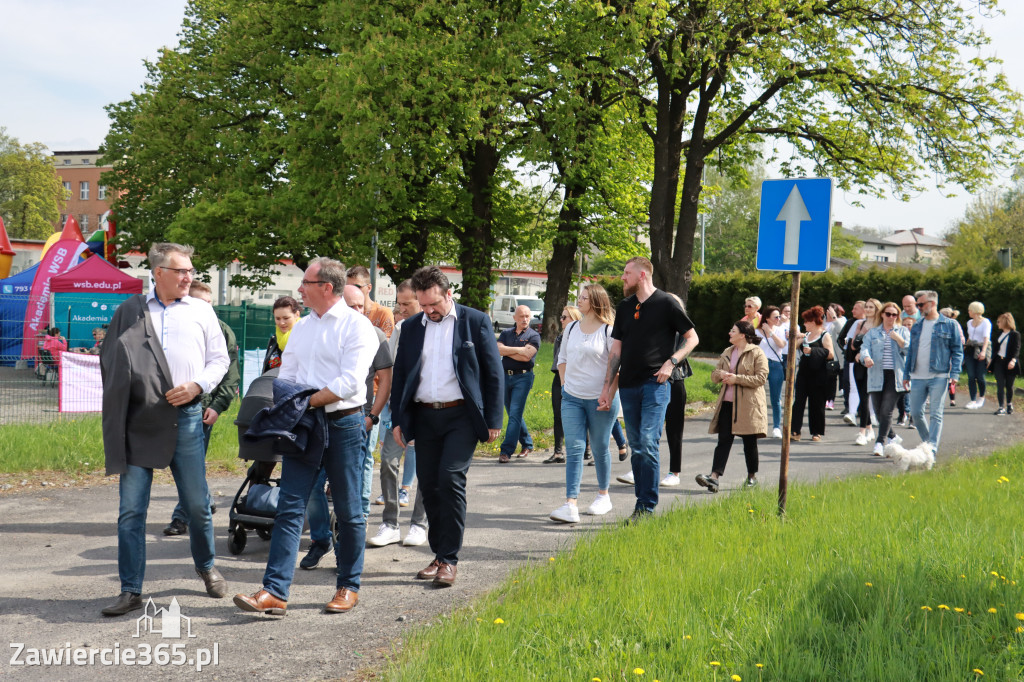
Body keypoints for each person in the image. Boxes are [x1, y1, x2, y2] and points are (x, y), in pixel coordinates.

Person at [233, 257, 378, 616]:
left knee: (348, 510)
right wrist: (297, 403)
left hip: (344, 424)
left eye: (306, 284)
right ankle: (274, 592)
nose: (299, 290)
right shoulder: (302, 328)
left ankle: (348, 585)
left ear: (326, 288)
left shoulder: (357, 327)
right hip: (305, 425)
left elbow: (349, 382)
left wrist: (305, 401)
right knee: (290, 506)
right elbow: (289, 376)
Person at [99, 242, 229, 617]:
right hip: (138, 422)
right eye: (181, 271)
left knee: (197, 506)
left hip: (186, 418)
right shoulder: (131, 311)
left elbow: (220, 359)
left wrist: (198, 386)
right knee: (131, 512)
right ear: (158, 273)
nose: (188, 277)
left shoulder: (202, 311)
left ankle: (206, 567)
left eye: (191, 271)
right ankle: (130, 590)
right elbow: (111, 364)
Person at [389, 266, 503, 587]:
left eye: (433, 305)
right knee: (429, 485)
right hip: (424, 417)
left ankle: (450, 559)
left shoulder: (474, 321)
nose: (429, 311)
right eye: (423, 305)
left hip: (461, 418)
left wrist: (494, 418)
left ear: (448, 294)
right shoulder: (411, 327)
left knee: (450, 478)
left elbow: (493, 373)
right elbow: (401, 377)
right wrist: (399, 420)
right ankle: (438, 554)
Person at [599, 257, 698, 522]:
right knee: (637, 447)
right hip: (629, 386)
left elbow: (692, 337)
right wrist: (607, 388)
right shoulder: (624, 307)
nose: (623, 278)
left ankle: (646, 507)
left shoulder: (666, 303)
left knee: (647, 442)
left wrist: (672, 362)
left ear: (642, 275)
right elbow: (616, 350)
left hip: (655, 385)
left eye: (626, 273)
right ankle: (641, 505)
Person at [163, 281, 240, 536]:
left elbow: (229, 374)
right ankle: (203, 501)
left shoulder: (223, 331)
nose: (205, 309)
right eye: (199, 303)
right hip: (169, 408)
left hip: (201, 410)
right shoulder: (172, 326)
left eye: (209, 304)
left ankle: (182, 517)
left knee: (191, 467)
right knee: (184, 466)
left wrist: (217, 406)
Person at [549, 284, 619, 523]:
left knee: (599, 447)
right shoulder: (571, 330)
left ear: (596, 301)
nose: (579, 300)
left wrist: (608, 393)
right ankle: (571, 503)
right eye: (579, 297)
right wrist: (566, 385)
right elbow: (562, 359)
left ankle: (603, 495)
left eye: (584, 298)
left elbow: (617, 366)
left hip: (601, 399)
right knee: (575, 448)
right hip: (572, 398)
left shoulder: (609, 330)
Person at [372, 279, 429, 547]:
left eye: (407, 303)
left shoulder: (437, 328)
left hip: (429, 409)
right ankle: (390, 523)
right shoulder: (400, 328)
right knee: (388, 464)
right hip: (400, 409)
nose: (401, 308)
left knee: (427, 467)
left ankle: (419, 524)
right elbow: (391, 368)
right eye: (399, 303)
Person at [695, 320, 768, 492]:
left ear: (742, 335)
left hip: (748, 406)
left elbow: (761, 378)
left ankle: (752, 478)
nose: (729, 333)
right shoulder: (727, 352)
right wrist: (720, 374)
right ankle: (714, 478)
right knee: (723, 441)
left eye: (733, 330)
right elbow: (714, 376)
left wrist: (737, 379)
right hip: (727, 404)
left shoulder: (757, 353)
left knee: (749, 443)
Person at [905, 289, 964, 455]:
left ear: (932, 304)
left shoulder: (950, 324)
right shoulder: (917, 325)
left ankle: (931, 450)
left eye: (921, 304)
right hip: (917, 375)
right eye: (917, 304)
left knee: (936, 414)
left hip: (939, 374)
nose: (918, 307)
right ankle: (927, 443)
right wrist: (905, 374)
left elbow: (957, 351)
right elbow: (911, 351)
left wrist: (955, 374)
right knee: (915, 413)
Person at [858, 301, 909, 456]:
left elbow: (910, 351)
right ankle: (893, 436)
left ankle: (880, 443)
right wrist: (866, 358)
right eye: (888, 314)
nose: (891, 317)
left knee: (887, 410)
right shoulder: (873, 333)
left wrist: (899, 340)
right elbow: (864, 348)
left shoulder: (903, 331)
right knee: (879, 411)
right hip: (876, 375)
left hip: (895, 376)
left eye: (895, 315)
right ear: (882, 315)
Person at [496, 305, 541, 463]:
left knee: (514, 414)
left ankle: (506, 451)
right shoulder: (506, 333)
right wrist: (518, 350)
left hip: (523, 378)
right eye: (521, 316)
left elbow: (526, 357)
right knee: (514, 413)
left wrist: (509, 351)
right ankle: (527, 443)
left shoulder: (534, 335)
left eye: (527, 316)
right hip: (505, 377)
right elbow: (498, 350)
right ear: (514, 318)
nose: (525, 319)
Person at [658, 292, 692, 486]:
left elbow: (680, 353)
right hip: (653, 380)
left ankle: (674, 472)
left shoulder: (683, 331)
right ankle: (640, 468)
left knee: (674, 428)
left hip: (674, 380)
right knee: (648, 428)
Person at [789, 306, 835, 442]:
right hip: (803, 372)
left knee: (817, 403)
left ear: (813, 322)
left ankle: (816, 431)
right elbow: (793, 347)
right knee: (798, 402)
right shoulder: (806, 335)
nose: (804, 324)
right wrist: (796, 338)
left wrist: (813, 351)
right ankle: (795, 430)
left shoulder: (824, 335)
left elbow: (831, 354)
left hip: (819, 373)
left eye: (806, 322)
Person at [544, 305, 582, 464]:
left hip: (577, 378)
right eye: (561, 316)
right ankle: (558, 452)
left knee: (580, 415)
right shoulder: (560, 337)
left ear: (574, 319)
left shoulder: (581, 336)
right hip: (559, 378)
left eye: (564, 317)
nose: (561, 320)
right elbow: (557, 360)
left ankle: (586, 450)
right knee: (558, 415)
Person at [849, 298, 882, 445]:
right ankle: (869, 429)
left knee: (866, 397)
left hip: (872, 364)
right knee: (863, 397)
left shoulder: (880, 325)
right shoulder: (860, 323)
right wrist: (860, 333)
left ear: (877, 309)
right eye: (867, 307)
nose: (868, 309)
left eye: (871, 307)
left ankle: (862, 432)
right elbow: (853, 345)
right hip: (859, 364)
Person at [756, 305, 787, 439]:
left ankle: (776, 427)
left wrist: (770, 332)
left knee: (776, 398)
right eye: (776, 316)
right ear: (767, 318)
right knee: (757, 397)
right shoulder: (756, 331)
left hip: (775, 364)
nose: (778, 318)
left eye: (779, 316)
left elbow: (781, 345)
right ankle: (757, 426)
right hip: (760, 365)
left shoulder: (780, 330)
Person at [346, 264, 394, 338]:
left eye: (357, 287)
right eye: (348, 287)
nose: (352, 290)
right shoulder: (342, 311)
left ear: (369, 288)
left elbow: (386, 345)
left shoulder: (383, 313)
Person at [837, 301, 866, 417]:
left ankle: (862, 409)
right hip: (849, 358)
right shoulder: (850, 322)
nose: (852, 311)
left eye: (856, 309)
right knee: (847, 382)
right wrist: (846, 350)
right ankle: (848, 407)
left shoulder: (870, 324)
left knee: (861, 384)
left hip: (863, 359)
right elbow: (841, 338)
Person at [262, 296, 303, 373]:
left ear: (297, 314)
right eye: (277, 318)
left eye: (286, 318)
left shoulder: (306, 337)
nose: (281, 323)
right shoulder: (274, 339)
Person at [990, 313, 1020, 415]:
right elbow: (995, 349)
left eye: (999, 321)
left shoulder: (1015, 334)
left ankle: (1009, 404)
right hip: (999, 361)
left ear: (1004, 322)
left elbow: (1017, 349)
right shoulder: (999, 334)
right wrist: (991, 359)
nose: (997, 324)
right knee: (1000, 384)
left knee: (1009, 385)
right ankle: (1001, 407)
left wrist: (1013, 360)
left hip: (1010, 362)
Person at [963, 301, 991, 410]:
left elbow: (986, 338)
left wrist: (983, 352)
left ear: (974, 311)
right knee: (971, 375)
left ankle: (981, 397)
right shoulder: (969, 322)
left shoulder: (986, 322)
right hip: (971, 348)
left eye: (970, 310)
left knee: (980, 376)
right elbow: (969, 337)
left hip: (981, 347)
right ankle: (972, 399)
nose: (968, 312)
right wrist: (964, 348)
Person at [940, 307, 964, 407]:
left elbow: (959, 340)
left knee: (949, 377)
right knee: (950, 379)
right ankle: (952, 399)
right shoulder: (955, 323)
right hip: (949, 354)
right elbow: (962, 339)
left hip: (949, 354)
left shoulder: (951, 324)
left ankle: (951, 398)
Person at [824, 303, 846, 410]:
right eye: (828, 310)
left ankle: (830, 400)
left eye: (831, 310)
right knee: (824, 379)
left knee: (832, 378)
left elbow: (842, 331)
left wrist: (834, 318)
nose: (828, 313)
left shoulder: (840, 320)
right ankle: (824, 399)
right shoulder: (822, 321)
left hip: (835, 355)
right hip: (823, 354)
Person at [896, 315, 916, 426]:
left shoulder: (917, 335)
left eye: (909, 325)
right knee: (902, 392)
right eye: (904, 325)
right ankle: (902, 413)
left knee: (912, 392)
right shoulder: (899, 334)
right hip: (902, 366)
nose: (906, 327)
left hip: (915, 367)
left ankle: (912, 416)